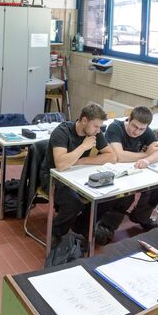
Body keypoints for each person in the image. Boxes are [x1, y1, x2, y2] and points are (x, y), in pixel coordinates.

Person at [93, 106, 158, 244]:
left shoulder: (144, 130)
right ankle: (106, 227)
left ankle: (141, 217)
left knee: (156, 186)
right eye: (134, 126)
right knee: (126, 195)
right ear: (129, 119)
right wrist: (145, 154)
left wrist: (146, 160)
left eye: (141, 129)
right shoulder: (115, 127)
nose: (136, 131)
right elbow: (119, 156)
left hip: (132, 171)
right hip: (110, 171)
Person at [50, 104, 119, 243]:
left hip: (77, 175)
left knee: (108, 195)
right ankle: (55, 233)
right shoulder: (62, 132)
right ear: (84, 120)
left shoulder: (94, 133)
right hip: (53, 178)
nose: (98, 130)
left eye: (100, 127)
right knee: (73, 202)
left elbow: (112, 157)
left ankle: (82, 226)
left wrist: (82, 160)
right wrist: (83, 147)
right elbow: (61, 164)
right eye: (96, 126)